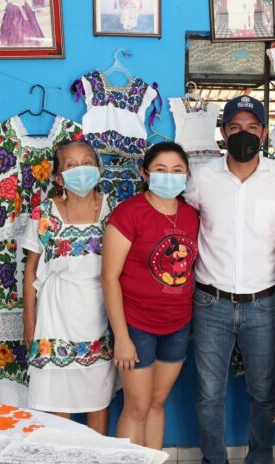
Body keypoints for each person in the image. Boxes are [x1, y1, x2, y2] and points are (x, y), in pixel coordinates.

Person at [184, 95, 275, 464]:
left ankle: (259, 458)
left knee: (263, 392)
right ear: (222, 132)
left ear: (264, 133)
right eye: (235, 127)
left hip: (264, 302)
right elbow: (178, 220)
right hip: (210, 301)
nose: (243, 134)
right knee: (208, 393)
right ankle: (213, 459)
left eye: (252, 127)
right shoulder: (201, 178)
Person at [102, 142, 199, 449]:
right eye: (160, 169)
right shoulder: (129, 213)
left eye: (177, 170)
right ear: (145, 173)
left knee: (157, 402)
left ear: (187, 174)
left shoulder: (191, 215)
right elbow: (109, 277)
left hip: (178, 324)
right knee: (137, 407)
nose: (169, 176)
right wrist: (122, 337)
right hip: (137, 325)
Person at [21, 141, 117, 434]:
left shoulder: (113, 209)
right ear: (59, 178)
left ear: (98, 169)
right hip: (56, 315)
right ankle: (62, 453)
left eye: (87, 162)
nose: (81, 170)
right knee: (57, 399)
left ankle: (95, 454)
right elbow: (31, 269)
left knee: (97, 398)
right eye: (71, 165)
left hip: (99, 315)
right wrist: (29, 320)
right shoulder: (44, 213)